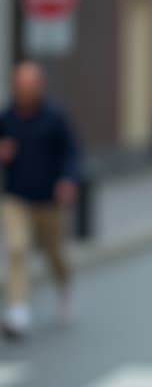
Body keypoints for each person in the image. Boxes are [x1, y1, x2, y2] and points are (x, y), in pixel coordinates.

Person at [0, 61, 80, 339]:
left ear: (39, 87)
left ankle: (63, 287)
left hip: (48, 199)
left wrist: (67, 180)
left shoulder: (55, 117)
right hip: (16, 197)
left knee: (53, 252)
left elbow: (71, 153)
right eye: (19, 86)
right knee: (17, 249)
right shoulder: (6, 118)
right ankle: (18, 312)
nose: (24, 91)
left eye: (29, 86)